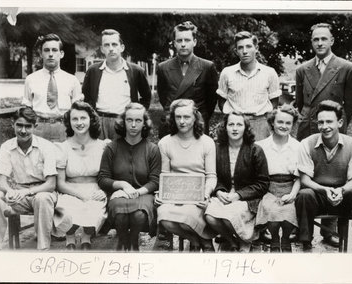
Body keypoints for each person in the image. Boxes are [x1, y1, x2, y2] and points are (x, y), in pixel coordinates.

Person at [295, 100, 352, 252]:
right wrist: (324, 190)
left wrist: (341, 191)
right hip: (318, 195)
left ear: (340, 122)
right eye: (321, 122)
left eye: (329, 121)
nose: (325, 127)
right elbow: (304, 179)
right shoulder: (307, 143)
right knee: (304, 195)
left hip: (343, 194)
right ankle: (306, 245)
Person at [98, 103, 161, 251]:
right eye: (129, 120)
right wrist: (122, 185)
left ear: (144, 123)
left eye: (138, 121)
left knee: (139, 215)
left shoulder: (152, 149)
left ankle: (133, 243)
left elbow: (155, 181)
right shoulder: (111, 148)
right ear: (123, 122)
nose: (133, 125)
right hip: (119, 194)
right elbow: (102, 178)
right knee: (120, 213)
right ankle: (123, 242)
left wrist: (137, 192)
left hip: (144, 195)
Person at [156, 99, 217, 251]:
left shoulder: (207, 143)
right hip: (175, 194)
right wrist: (161, 193)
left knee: (187, 218)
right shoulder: (165, 143)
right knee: (164, 216)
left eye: (187, 117)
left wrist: (206, 193)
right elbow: (165, 174)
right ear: (173, 118)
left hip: (197, 195)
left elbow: (211, 176)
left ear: (195, 118)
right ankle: (198, 240)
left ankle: (199, 240)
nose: (182, 122)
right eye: (178, 117)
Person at [0, 107, 58, 250]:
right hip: (19, 193)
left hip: (42, 192)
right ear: (13, 124)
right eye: (19, 125)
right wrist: (10, 191)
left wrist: (27, 191)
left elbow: (51, 184)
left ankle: (43, 249)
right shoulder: (7, 147)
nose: (23, 130)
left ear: (35, 126)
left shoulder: (46, 147)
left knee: (42, 198)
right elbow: (1, 180)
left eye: (28, 126)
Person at [205, 112, 269, 252]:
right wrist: (219, 191)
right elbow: (213, 176)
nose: (235, 128)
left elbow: (263, 184)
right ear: (225, 127)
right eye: (231, 124)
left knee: (229, 216)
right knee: (210, 216)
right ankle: (232, 240)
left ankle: (244, 241)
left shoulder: (255, 150)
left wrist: (238, 195)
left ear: (245, 128)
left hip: (247, 198)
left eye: (239, 125)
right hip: (225, 195)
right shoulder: (217, 149)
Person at [53, 101, 108, 250]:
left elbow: (110, 176)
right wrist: (81, 195)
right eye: (74, 119)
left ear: (91, 119)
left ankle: (86, 236)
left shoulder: (103, 146)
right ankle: (69, 237)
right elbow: (60, 183)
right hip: (69, 190)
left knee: (93, 211)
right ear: (69, 122)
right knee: (67, 212)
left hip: (95, 189)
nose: (79, 123)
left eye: (83, 118)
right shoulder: (63, 148)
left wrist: (104, 191)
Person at [83, 29, 151, 140]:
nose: (111, 48)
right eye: (107, 45)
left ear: (122, 47)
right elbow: (86, 97)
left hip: (123, 121)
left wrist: (135, 115)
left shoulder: (135, 71)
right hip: (99, 121)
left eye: (114, 44)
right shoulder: (93, 71)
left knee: (123, 155)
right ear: (102, 49)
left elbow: (146, 97)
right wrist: (92, 117)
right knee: (100, 155)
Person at [295, 23, 352, 141]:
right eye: (316, 40)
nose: (320, 43)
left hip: (332, 128)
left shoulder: (347, 68)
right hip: (307, 128)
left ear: (332, 41)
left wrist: (339, 124)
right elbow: (300, 103)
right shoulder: (302, 70)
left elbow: (349, 105)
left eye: (324, 39)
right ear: (312, 42)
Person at [157, 21, 218, 137]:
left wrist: (199, 116)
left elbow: (211, 101)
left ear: (194, 42)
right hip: (171, 124)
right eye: (179, 41)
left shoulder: (207, 67)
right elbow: (163, 97)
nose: (183, 44)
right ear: (174, 43)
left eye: (187, 40)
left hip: (197, 124)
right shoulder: (163, 67)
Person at [217, 31, 280, 141]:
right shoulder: (227, 73)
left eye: (249, 46)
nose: (245, 51)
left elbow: (274, 102)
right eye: (240, 48)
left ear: (256, 48)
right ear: (236, 51)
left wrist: (264, 121)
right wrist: (233, 119)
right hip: (235, 124)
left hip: (260, 124)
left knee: (259, 155)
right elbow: (222, 101)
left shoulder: (269, 73)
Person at [255, 104, 301, 252]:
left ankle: (286, 238)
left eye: (288, 123)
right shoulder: (261, 146)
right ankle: (274, 238)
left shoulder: (298, 147)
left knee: (289, 211)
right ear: (272, 123)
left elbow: (299, 177)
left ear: (293, 125)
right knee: (270, 209)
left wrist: (293, 194)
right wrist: (266, 191)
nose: (284, 126)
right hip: (268, 188)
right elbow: (257, 176)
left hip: (290, 186)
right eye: (280, 122)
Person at [22, 33, 83, 142]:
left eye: (54, 50)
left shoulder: (72, 80)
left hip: (63, 129)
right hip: (38, 128)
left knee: (62, 158)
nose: (50, 54)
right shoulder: (31, 79)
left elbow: (78, 111)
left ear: (61, 54)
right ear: (41, 54)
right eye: (46, 50)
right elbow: (27, 109)